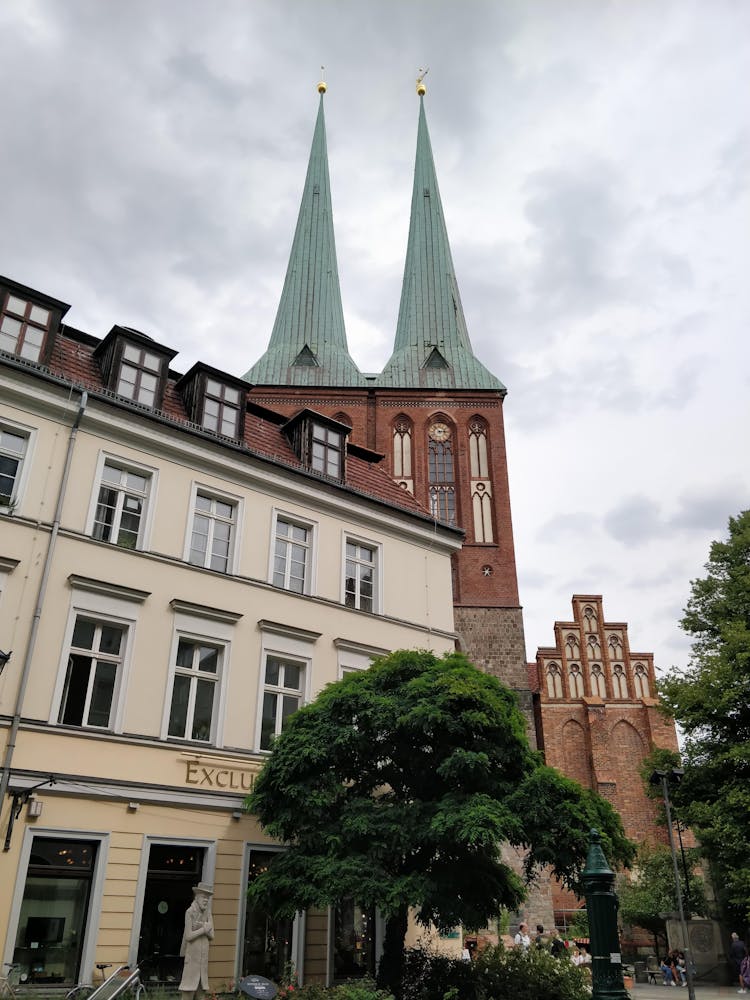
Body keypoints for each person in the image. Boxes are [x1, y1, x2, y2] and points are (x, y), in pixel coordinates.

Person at [179, 882, 215, 1000]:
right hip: (192, 961)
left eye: (208, 898)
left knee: (201, 995)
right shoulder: (190, 912)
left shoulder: (208, 913)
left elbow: (212, 935)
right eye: (204, 897)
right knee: (188, 993)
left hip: (202, 963)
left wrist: (203, 928)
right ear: (197, 897)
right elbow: (188, 936)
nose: (206, 900)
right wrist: (204, 929)